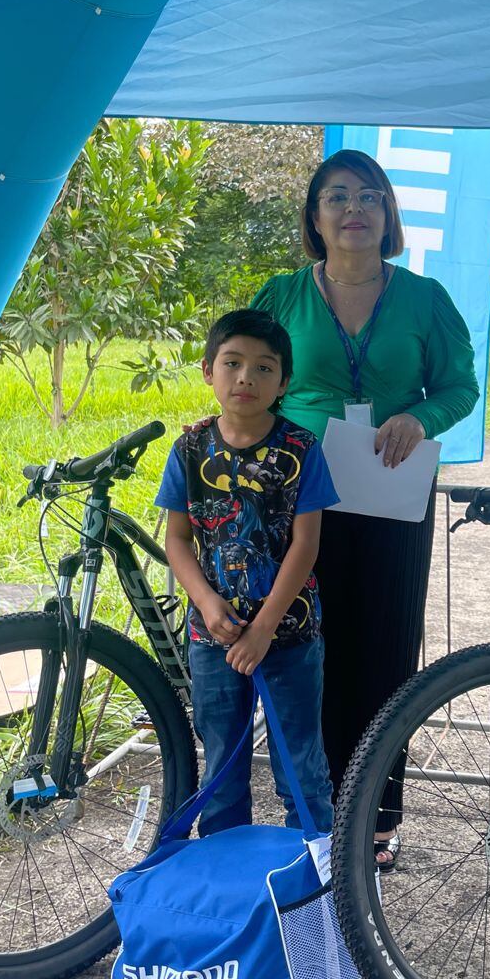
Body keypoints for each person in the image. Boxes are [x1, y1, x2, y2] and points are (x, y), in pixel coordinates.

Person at [253, 149, 478, 870]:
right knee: (305, 649)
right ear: (315, 218)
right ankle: (310, 808)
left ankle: (378, 814)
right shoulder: (282, 295)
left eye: (370, 197)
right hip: (300, 496)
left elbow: (460, 385)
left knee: (383, 649)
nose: (355, 209)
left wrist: (420, 417)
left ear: (388, 215)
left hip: (391, 493)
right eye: (338, 197)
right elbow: (248, 378)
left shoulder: (423, 298)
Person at [156, 308, 339, 836]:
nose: (246, 378)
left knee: (301, 767)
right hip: (211, 637)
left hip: (290, 636)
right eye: (232, 363)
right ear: (208, 370)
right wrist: (209, 607)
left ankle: (314, 883)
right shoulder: (189, 450)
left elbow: (305, 547)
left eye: (264, 368)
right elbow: (178, 538)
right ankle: (229, 882)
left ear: (284, 382)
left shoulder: (302, 450)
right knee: (221, 768)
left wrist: (263, 630)